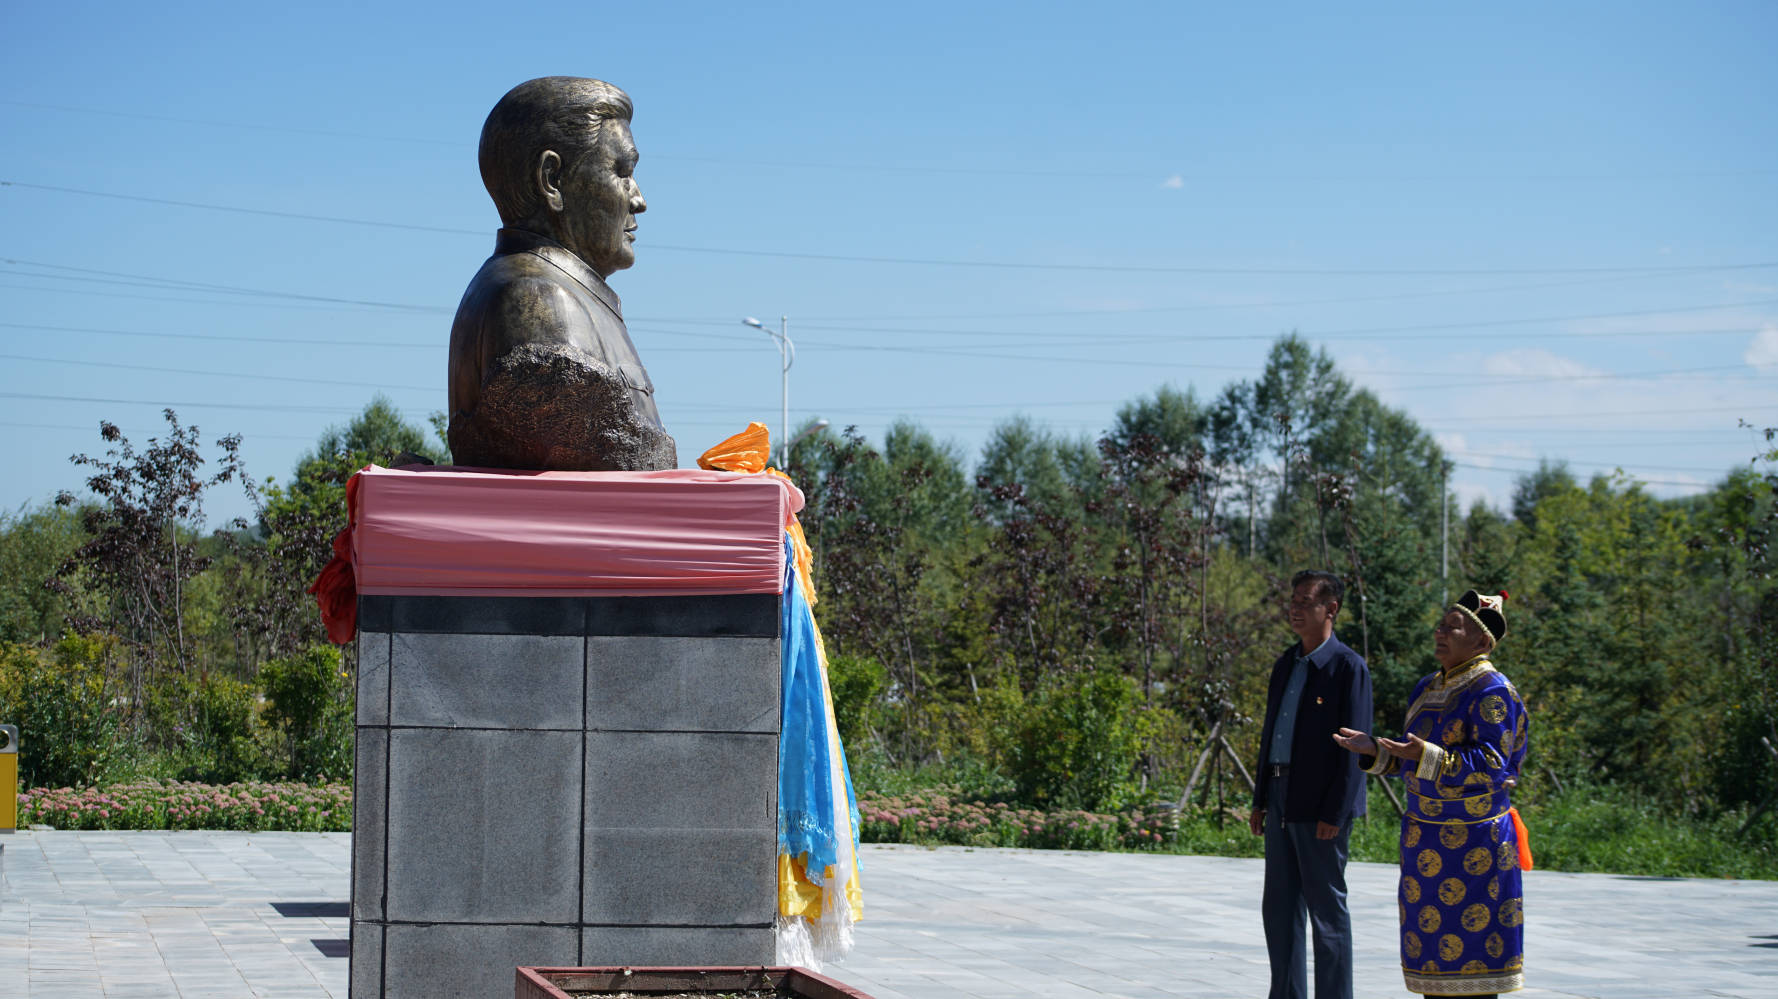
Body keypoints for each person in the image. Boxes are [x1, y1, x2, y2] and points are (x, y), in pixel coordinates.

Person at [447, 76, 677, 471]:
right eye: (622, 171)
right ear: (552, 180)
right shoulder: (542, 301)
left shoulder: (557, 291)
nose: (638, 199)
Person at [1334, 590, 1529, 997]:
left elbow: (1493, 764)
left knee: (1474, 972)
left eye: (1452, 627)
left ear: (1481, 641)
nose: (1439, 633)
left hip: (1475, 845)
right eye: (1440, 625)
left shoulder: (1491, 690)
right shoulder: (1428, 687)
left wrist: (1426, 756)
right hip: (1426, 844)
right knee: (1432, 969)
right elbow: (1413, 760)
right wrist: (1376, 751)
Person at [1249, 570, 1373, 999]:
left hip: (1321, 806)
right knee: (1279, 909)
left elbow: (1355, 749)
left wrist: (1335, 812)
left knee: (1326, 913)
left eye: (1306, 602)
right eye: (1293, 601)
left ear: (1331, 609)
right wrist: (1260, 798)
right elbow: (1272, 734)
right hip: (1281, 795)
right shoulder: (1287, 663)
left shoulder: (1346, 667)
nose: (1295, 609)